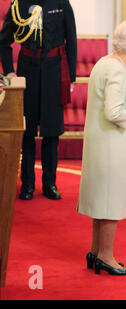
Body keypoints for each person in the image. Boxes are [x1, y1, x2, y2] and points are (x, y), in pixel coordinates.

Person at [77, 20, 126, 275]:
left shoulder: (105, 63)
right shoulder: (117, 70)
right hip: (110, 145)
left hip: (102, 142)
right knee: (110, 201)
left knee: (102, 199)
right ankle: (106, 256)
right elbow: (114, 112)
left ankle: (96, 251)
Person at [0, 0, 77, 200]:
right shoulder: (19, 4)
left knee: (52, 132)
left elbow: (72, 39)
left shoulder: (61, 2)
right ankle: (27, 185)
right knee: (27, 131)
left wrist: (72, 77)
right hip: (28, 71)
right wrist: (9, 71)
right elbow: (4, 40)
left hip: (55, 71)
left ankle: (50, 184)